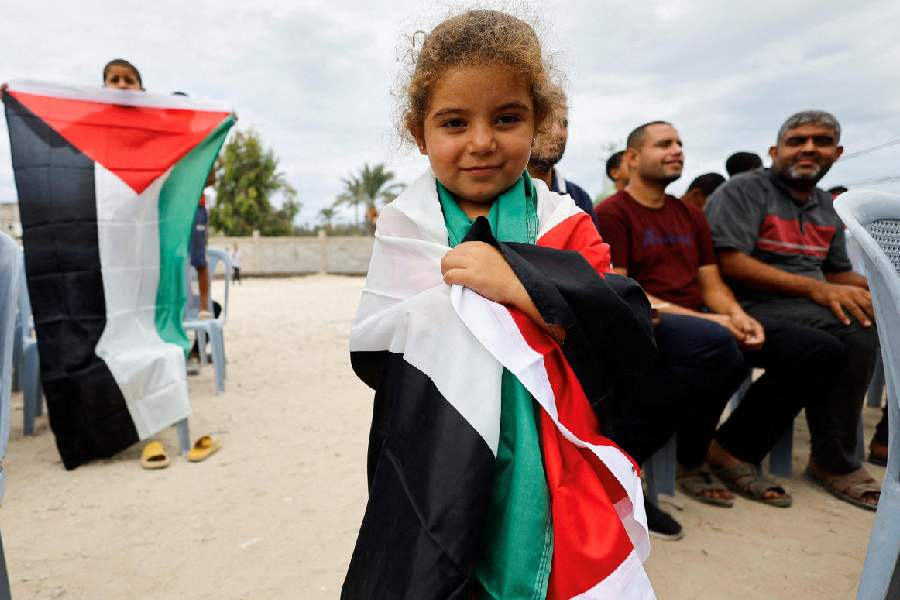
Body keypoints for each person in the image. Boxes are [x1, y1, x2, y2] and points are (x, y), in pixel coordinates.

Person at [343, 10, 657, 598]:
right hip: (436, 456)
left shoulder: (565, 222)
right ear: (419, 132)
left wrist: (520, 284)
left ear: (538, 123)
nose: (482, 142)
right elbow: (377, 350)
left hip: (554, 463)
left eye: (507, 118)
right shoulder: (406, 226)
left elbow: (616, 334)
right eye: (454, 122)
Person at [596, 121, 846, 537]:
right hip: (648, 321)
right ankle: (624, 465)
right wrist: (714, 322)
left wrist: (736, 315)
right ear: (633, 158)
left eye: (679, 143)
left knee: (819, 349)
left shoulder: (690, 214)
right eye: (664, 144)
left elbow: (711, 284)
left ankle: (729, 448)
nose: (676, 150)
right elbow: (624, 292)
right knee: (716, 347)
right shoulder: (613, 213)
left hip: (702, 320)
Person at [705, 110, 881, 510]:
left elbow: (836, 272)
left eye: (821, 142)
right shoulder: (744, 190)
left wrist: (881, 290)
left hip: (806, 308)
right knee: (848, 332)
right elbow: (729, 262)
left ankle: (830, 452)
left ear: (837, 153)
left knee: (863, 318)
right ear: (775, 150)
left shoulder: (825, 206)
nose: (808, 149)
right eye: (797, 141)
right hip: (745, 305)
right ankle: (831, 460)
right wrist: (817, 289)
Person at [526, 86, 598, 226]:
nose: (558, 133)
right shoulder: (497, 195)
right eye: (546, 121)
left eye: (564, 123)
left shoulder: (579, 198)